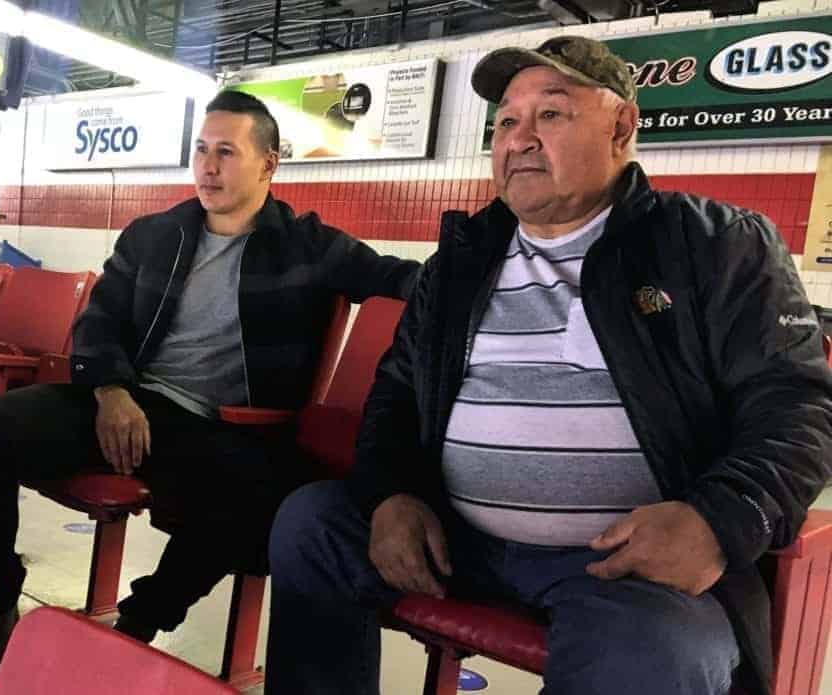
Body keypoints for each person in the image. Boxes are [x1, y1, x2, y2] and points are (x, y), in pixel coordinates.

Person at [264, 36, 832, 695]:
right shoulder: (460, 264)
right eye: (506, 120)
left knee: (654, 650)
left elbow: (797, 408)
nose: (520, 138)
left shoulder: (715, 246)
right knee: (312, 524)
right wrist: (390, 492)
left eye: (551, 114)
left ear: (621, 126)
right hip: (458, 538)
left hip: (622, 565)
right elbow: (395, 395)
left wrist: (719, 517)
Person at [0, 90, 420, 692]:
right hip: (127, 403)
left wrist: (493, 274)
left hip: (222, 426)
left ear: (269, 164)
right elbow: (98, 320)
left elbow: (401, 278)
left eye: (227, 152)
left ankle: (139, 621)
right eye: (201, 150)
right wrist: (111, 390)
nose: (209, 166)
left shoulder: (308, 246)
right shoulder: (156, 235)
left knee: (263, 494)